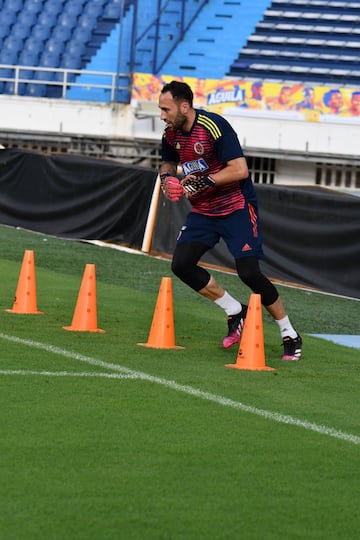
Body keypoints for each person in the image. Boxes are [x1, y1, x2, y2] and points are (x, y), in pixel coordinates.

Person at [158, 80, 302, 361]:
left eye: (166, 109)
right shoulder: (170, 133)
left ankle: (289, 333)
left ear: (184, 106)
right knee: (181, 265)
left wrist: (205, 179)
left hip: (236, 206)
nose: (162, 115)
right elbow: (166, 162)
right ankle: (236, 311)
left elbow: (239, 170)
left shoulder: (213, 127)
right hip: (203, 210)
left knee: (249, 273)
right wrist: (167, 179)